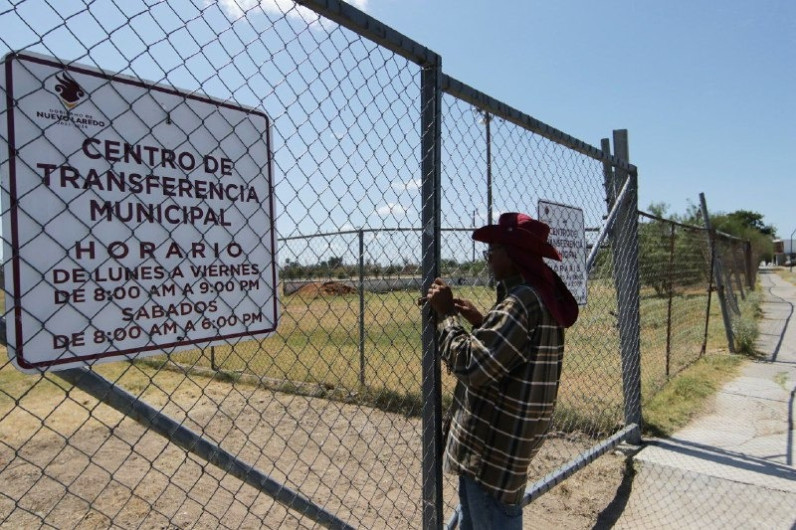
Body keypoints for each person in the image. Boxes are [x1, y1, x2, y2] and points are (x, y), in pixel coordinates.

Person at [425, 212, 579, 529]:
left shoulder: (519, 302)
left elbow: (472, 366)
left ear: (512, 254)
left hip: (490, 454)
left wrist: (445, 317)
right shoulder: (539, 297)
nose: (488, 257)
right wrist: (483, 323)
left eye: (493, 250)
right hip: (509, 449)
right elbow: (516, 357)